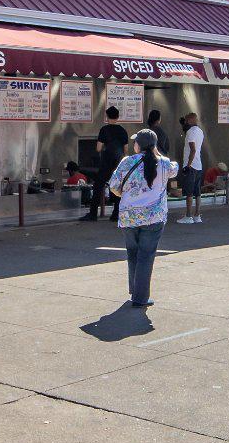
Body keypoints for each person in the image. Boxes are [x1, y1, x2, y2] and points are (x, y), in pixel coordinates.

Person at [107, 128, 177, 307]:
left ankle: (135, 291)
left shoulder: (126, 162)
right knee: (146, 256)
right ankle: (140, 297)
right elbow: (174, 169)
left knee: (133, 253)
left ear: (139, 144)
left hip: (129, 217)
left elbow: (114, 186)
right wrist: (157, 153)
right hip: (154, 217)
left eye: (136, 141)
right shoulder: (164, 163)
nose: (134, 144)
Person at [87, 106, 131, 221]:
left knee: (98, 186)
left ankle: (92, 214)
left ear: (107, 117)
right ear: (118, 117)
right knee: (117, 187)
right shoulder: (123, 130)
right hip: (119, 163)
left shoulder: (104, 130)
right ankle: (116, 214)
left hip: (106, 162)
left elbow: (98, 148)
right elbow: (126, 150)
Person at [177, 112, 206, 224]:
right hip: (199, 165)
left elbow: (192, 150)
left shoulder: (190, 132)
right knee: (197, 192)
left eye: (185, 120)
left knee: (189, 192)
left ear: (189, 121)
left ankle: (188, 216)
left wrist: (188, 165)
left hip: (191, 165)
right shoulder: (200, 131)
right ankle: (197, 215)